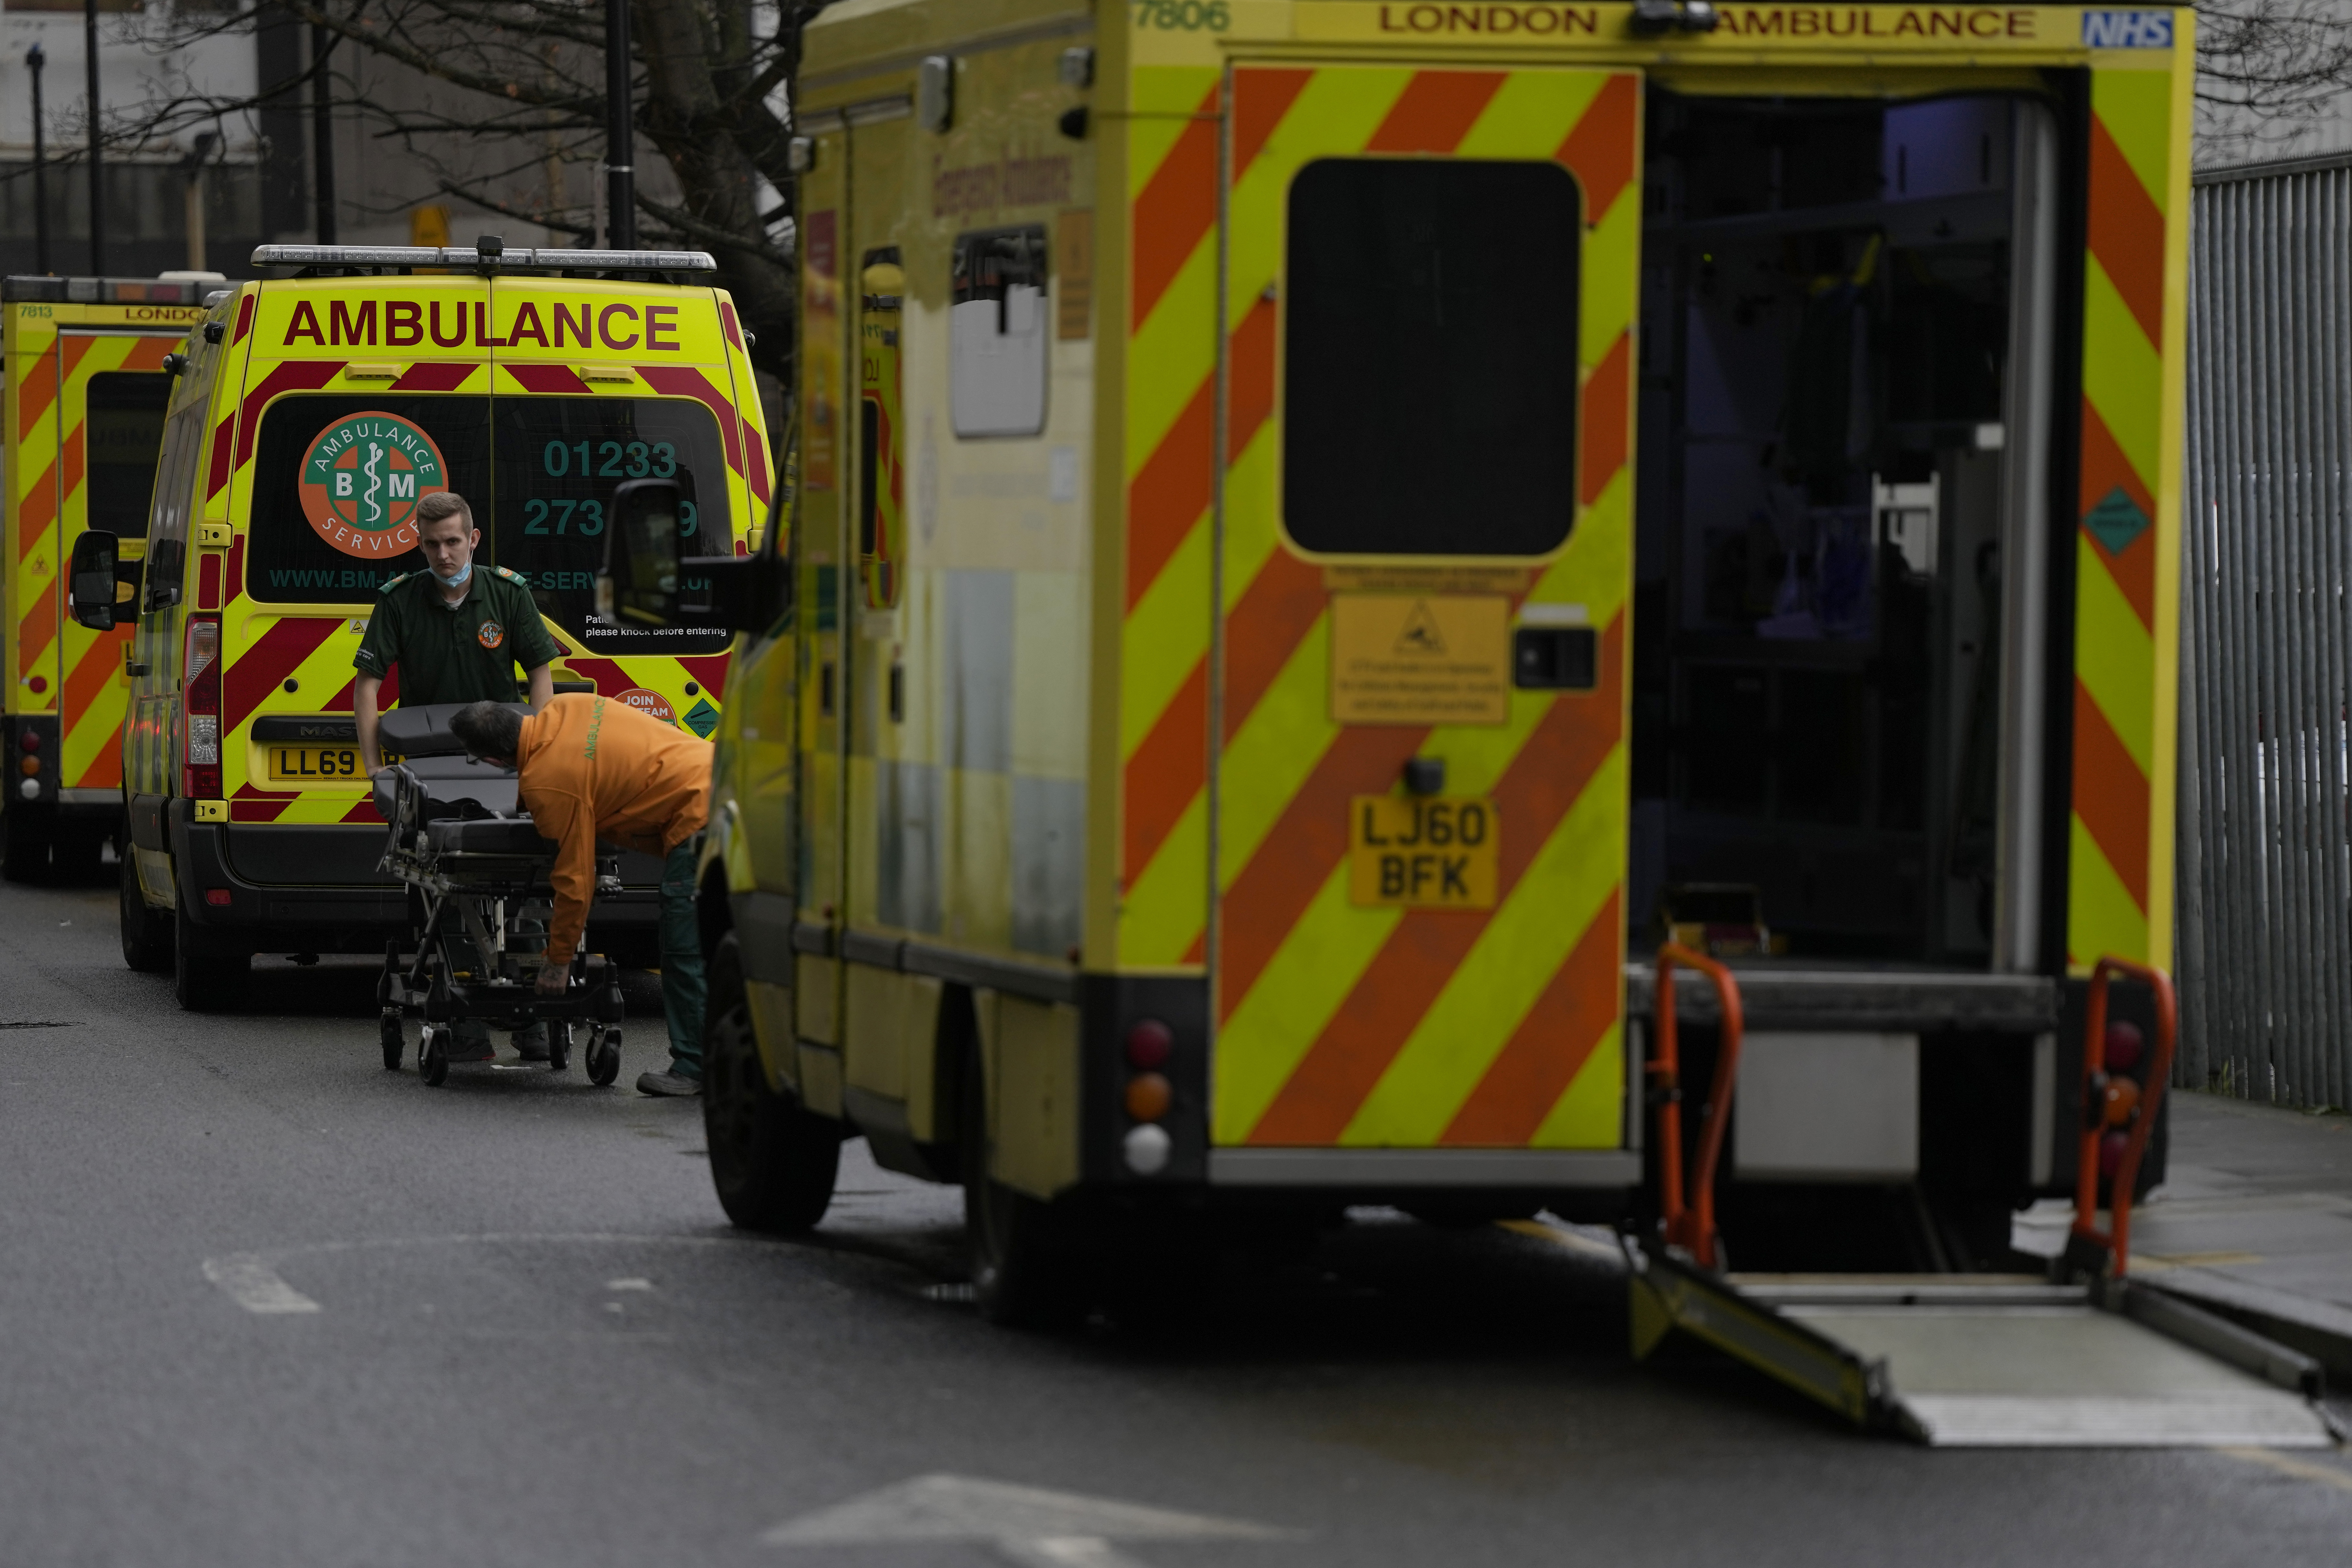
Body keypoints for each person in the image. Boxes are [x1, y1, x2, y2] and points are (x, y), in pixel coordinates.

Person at [356, 491, 563, 1063]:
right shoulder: (400, 601)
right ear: (419, 544)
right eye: (431, 544)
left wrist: (542, 753)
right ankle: (463, 1017)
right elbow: (368, 687)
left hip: (503, 759)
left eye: (453, 541)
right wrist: (377, 769)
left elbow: (540, 673)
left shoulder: (507, 593)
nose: (443, 554)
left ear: (472, 539)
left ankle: (531, 1020)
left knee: (525, 881)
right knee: (441, 884)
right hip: (430, 765)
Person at [447, 695, 711, 1098]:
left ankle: (694, 1067)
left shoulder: (550, 780)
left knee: (683, 948)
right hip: (726, 779)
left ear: (493, 760)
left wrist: (558, 962)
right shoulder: (568, 705)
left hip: (701, 819)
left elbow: (574, 879)